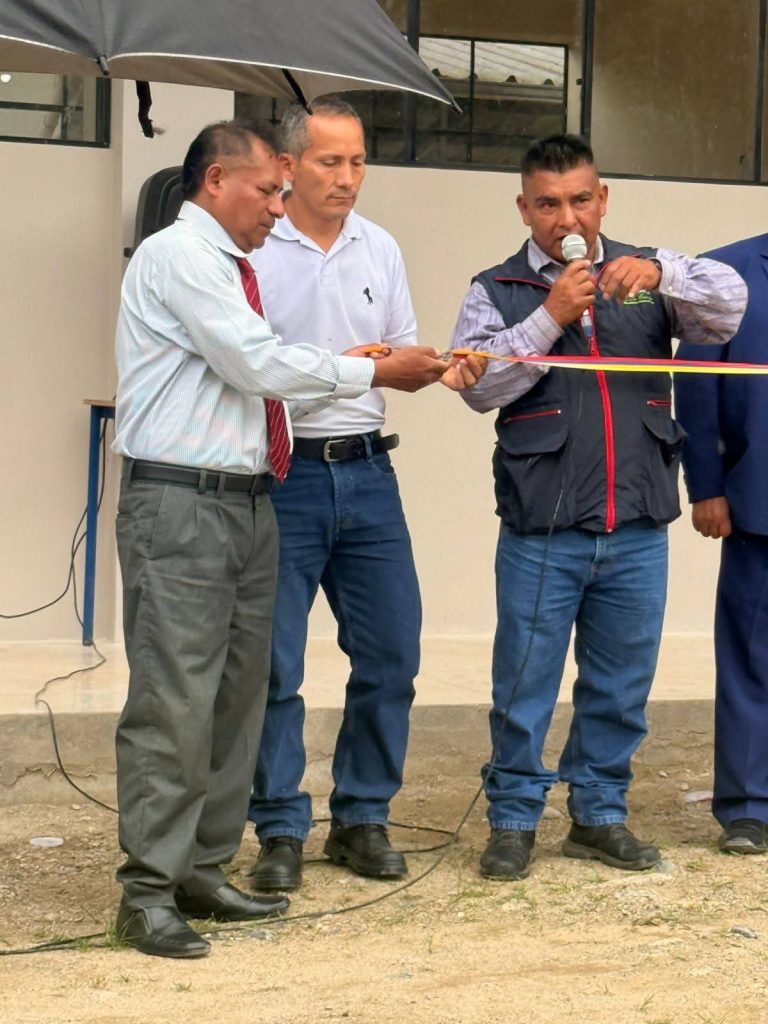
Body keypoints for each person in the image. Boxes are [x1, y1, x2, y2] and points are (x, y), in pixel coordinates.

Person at [112, 117, 453, 958]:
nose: (279, 203)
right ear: (216, 181)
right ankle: (148, 892)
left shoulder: (233, 263)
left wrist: (369, 366)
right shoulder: (180, 257)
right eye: (268, 189)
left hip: (251, 496)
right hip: (183, 502)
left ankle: (203, 867)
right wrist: (370, 369)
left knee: (238, 693)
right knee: (176, 701)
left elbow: (258, 362)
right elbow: (255, 362)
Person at [449, 134, 746, 881]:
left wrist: (665, 268)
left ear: (602, 198)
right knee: (524, 684)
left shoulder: (641, 279)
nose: (566, 216)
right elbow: (478, 386)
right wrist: (549, 315)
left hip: (638, 521)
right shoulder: (497, 289)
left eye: (580, 198)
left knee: (620, 686)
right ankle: (514, 819)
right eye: (548, 203)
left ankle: (599, 814)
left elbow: (730, 309)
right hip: (542, 526)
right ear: (524, 207)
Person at [247, 97, 483, 892]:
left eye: (356, 162)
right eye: (329, 162)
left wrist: (444, 368)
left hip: (370, 474)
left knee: (391, 654)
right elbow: (247, 376)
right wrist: (349, 365)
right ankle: (279, 826)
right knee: (274, 664)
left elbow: (402, 358)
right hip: (283, 475)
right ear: (287, 166)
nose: (347, 178)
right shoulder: (254, 250)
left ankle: (361, 816)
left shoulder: (378, 247)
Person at [676, 234, 768, 856]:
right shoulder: (727, 274)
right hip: (757, 501)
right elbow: (698, 386)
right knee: (750, 658)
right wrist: (706, 483)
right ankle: (748, 807)